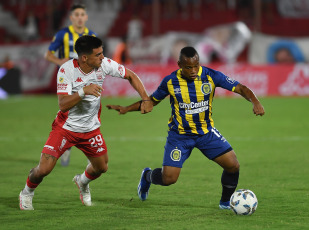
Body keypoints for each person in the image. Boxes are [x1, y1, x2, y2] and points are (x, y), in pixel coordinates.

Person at [107, 46, 265, 209]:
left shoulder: (211, 76)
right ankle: (147, 176)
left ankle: (225, 202)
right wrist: (127, 108)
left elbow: (240, 88)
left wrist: (255, 101)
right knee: (169, 179)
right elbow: (151, 101)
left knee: (233, 165)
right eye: (188, 67)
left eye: (196, 65)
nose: (193, 70)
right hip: (180, 136)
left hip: (206, 133)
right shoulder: (170, 81)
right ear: (179, 65)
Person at [19, 35, 153, 211]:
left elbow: (131, 75)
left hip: (90, 129)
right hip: (65, 128)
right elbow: (62, 104)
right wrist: (83, 91)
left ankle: (82, 182)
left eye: (102, 53)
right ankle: (27, 193)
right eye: (98, 54)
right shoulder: (66, 70)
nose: (102, 57)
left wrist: (145, 99)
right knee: (43, 169)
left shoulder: (104, 65)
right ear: (84, 58)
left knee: (101, 167)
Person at [45, 3, 97, 166]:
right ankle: (66, 146)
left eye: (82, 14)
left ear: (86, 17)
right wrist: (60, 61)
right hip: (67, 79)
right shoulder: (63, 34)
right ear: (71, 17)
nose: (80, 17)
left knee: (83, 112)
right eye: (77, 15)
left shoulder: (92, 36)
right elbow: (48, 54)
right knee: (67, 109)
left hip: (85, 79)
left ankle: (70, 146)